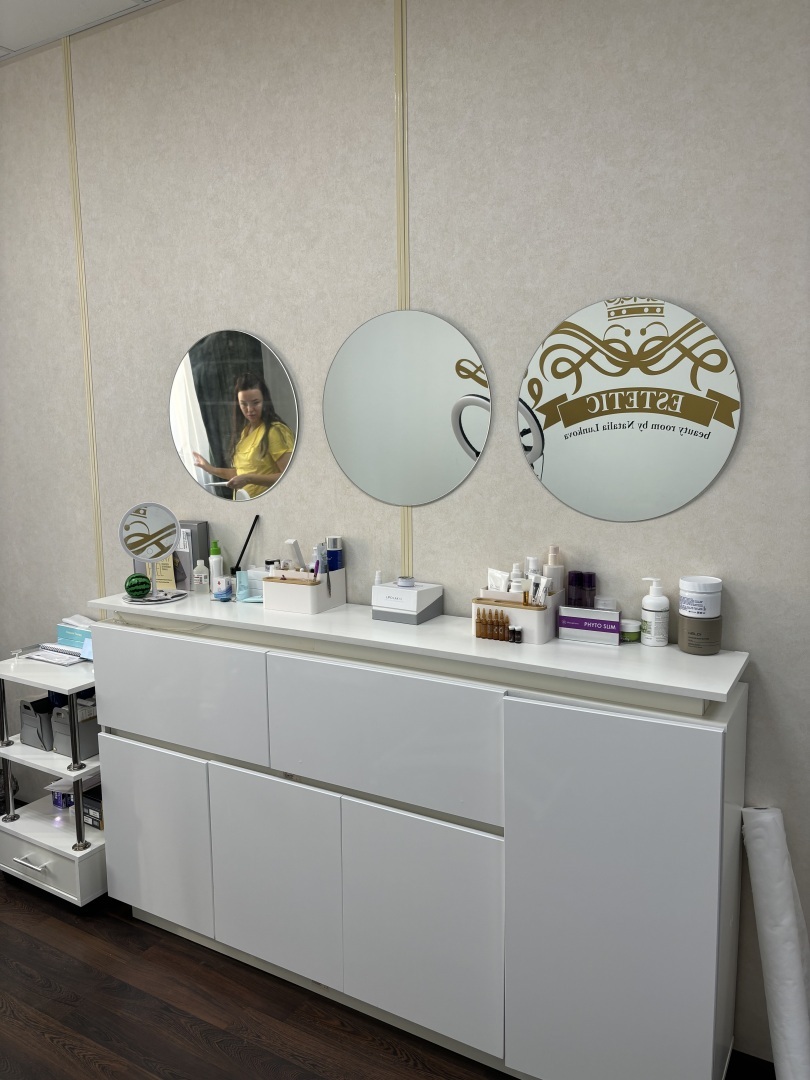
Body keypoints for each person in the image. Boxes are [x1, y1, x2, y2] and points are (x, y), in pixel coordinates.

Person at [193, 372, 294, 499]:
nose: (249, 409)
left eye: (255, 402)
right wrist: (210, 469)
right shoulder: (246, 431)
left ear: (265, 401)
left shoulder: (274, 431)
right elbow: (240, 473)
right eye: (244, 404)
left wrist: (248, 479)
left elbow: (289, 476)